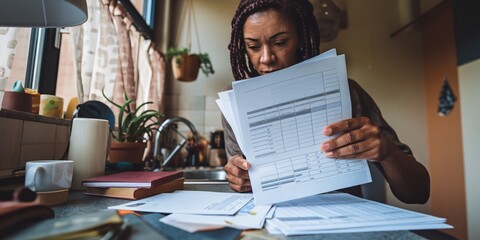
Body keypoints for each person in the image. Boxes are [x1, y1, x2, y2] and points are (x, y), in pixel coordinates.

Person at [222, 0, 430, 204]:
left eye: (280, 43)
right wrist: (238, 178)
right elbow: (245, 192)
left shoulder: (349, 93)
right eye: (253, 46)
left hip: (342, 224)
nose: (266, 58)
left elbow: (418, 193)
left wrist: (387, 152)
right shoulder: (236, 106)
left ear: (301, 38)